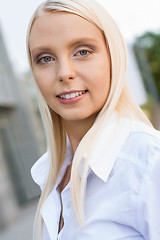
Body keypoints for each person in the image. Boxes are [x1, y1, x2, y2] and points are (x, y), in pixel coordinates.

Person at [27, 0, 160, 239]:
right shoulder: (51, 172)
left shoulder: (150, 162)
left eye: (83, 52)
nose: (64, 73)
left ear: (114, 57)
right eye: (45, 58)